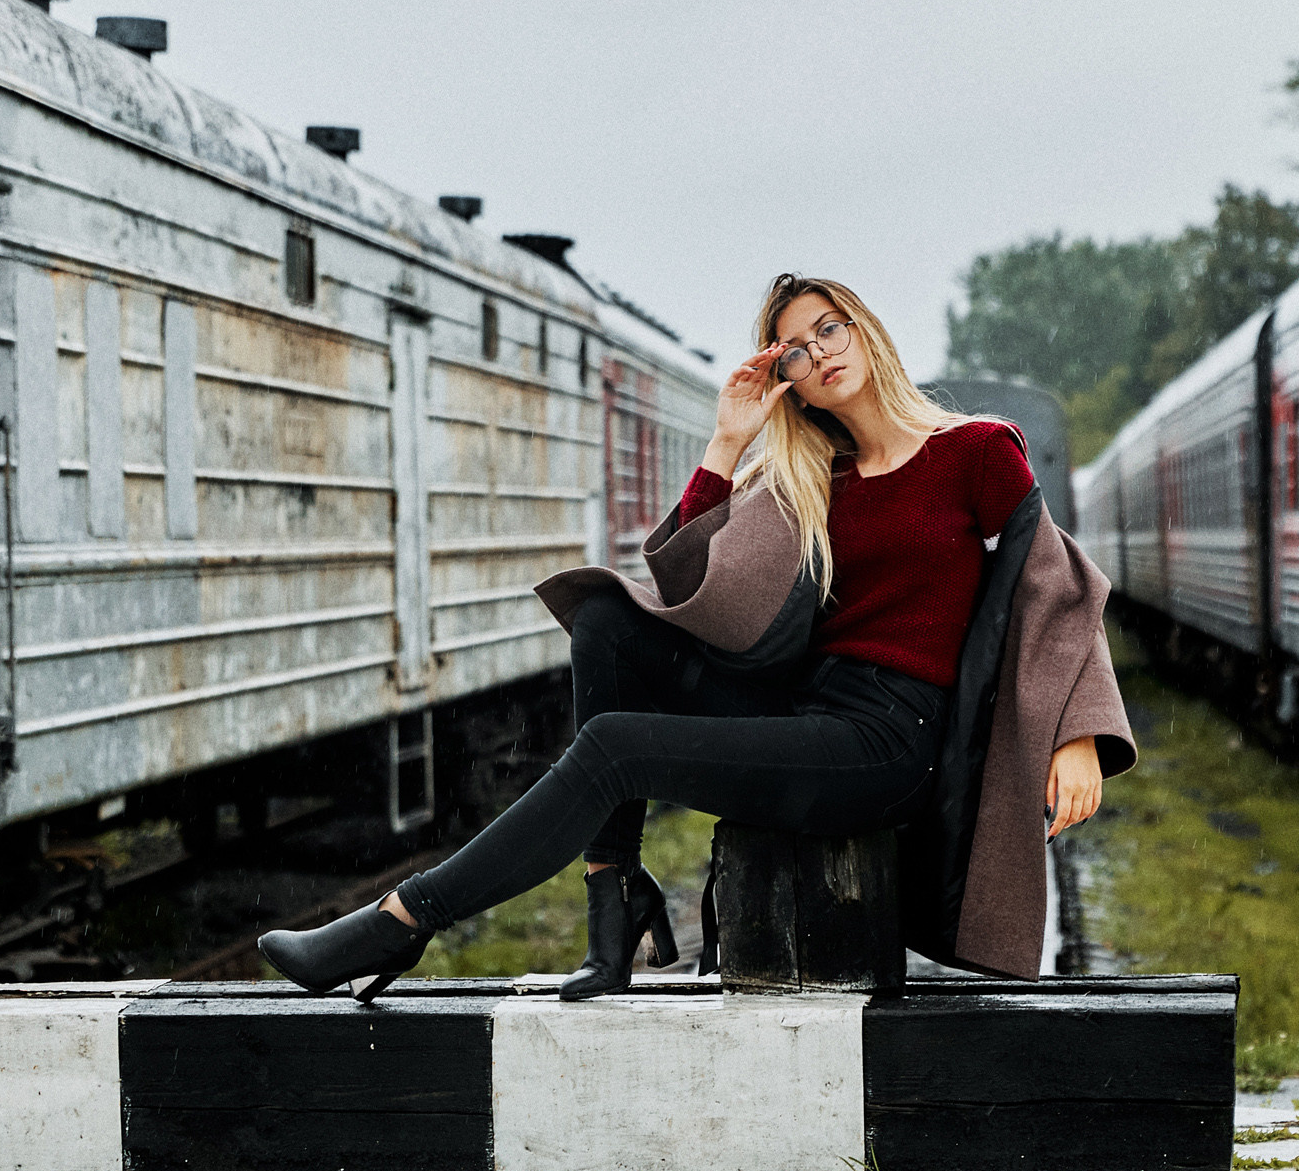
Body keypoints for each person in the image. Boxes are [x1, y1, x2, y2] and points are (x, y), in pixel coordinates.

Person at [257, 274, 1132, 1001]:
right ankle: (617, 893)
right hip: (810, 709)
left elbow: (1053, 579)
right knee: (604, 615)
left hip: (888, 741)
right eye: (795, 345)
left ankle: (400, 923)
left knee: (614, 746)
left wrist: (1081, 730)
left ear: (865, 333)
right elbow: (680, 587)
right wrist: (726, 441)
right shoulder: (808, 473)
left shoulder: (973, 451)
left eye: (830, 329)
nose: (818, 351)